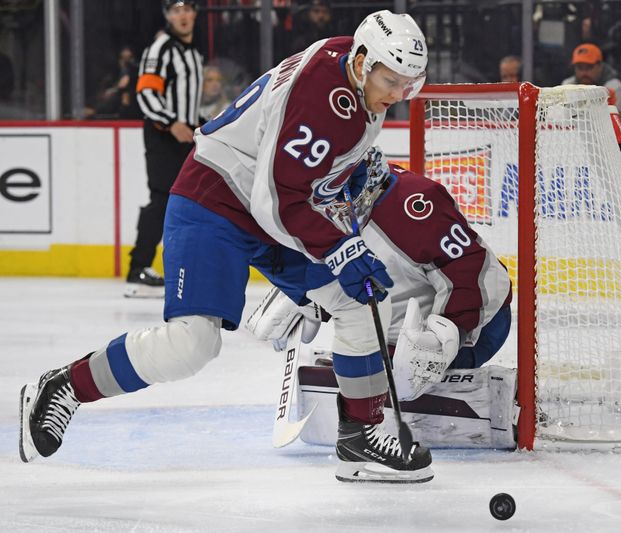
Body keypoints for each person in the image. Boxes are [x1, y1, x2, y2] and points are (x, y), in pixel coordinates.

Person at [18, 11, 431, 484]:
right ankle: (65, 386)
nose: (399, 94)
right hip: (215, 201)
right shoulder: (327, 100)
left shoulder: (350, 59)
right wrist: (341, 249)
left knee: (357, 304)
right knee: (191, 345)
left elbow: (294, 175)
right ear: (361, 63)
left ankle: (359, 438)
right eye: (392, 80)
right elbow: (277, 200)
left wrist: (347, 171)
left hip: (269, 207)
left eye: (409, 84)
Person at [248, 156, 513, 402]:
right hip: (396, 325)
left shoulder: (414, 203)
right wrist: (309, 293)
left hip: (477, 325)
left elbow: (475, 273)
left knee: (371, 373)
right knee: (358, 361)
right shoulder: (330, 206)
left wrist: (442, 336)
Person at [126, 0, 204, 298]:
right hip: (163, 135)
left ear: (194, 14)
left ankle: (184, 268)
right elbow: (146, 94)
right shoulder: (161, 48)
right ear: (167, 16)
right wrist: (172, 122)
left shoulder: (194, 53)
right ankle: (138, 270)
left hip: (186, 134)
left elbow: (188, 101)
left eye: (186, 9)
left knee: (193, 202)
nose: (182, 16)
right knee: (161, 199)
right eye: (175, 11)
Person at [562, 43, 621, 117]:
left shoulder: (615, 88)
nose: (584, 72)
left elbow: (617, 121)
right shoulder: (567, 86)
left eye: (589, 67)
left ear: (600, 66)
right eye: (580, 67)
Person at [88, 46, 142, 120]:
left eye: (129, 58)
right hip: (112, 96)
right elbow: (109, 84)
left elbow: (124, 86)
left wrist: (129, 78)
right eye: (122, 59)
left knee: (124, 97)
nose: (125, 62)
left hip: (128, 100)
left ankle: (96, 111)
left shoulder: (135, 71)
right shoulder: (114, 71)